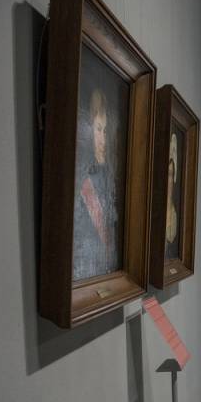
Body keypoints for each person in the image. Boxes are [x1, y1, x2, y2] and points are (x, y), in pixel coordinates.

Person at [72, 88, 122, 281]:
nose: (104, 140)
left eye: (106, 130)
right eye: (98, 129)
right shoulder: (79, 181)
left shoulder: (106, 177)